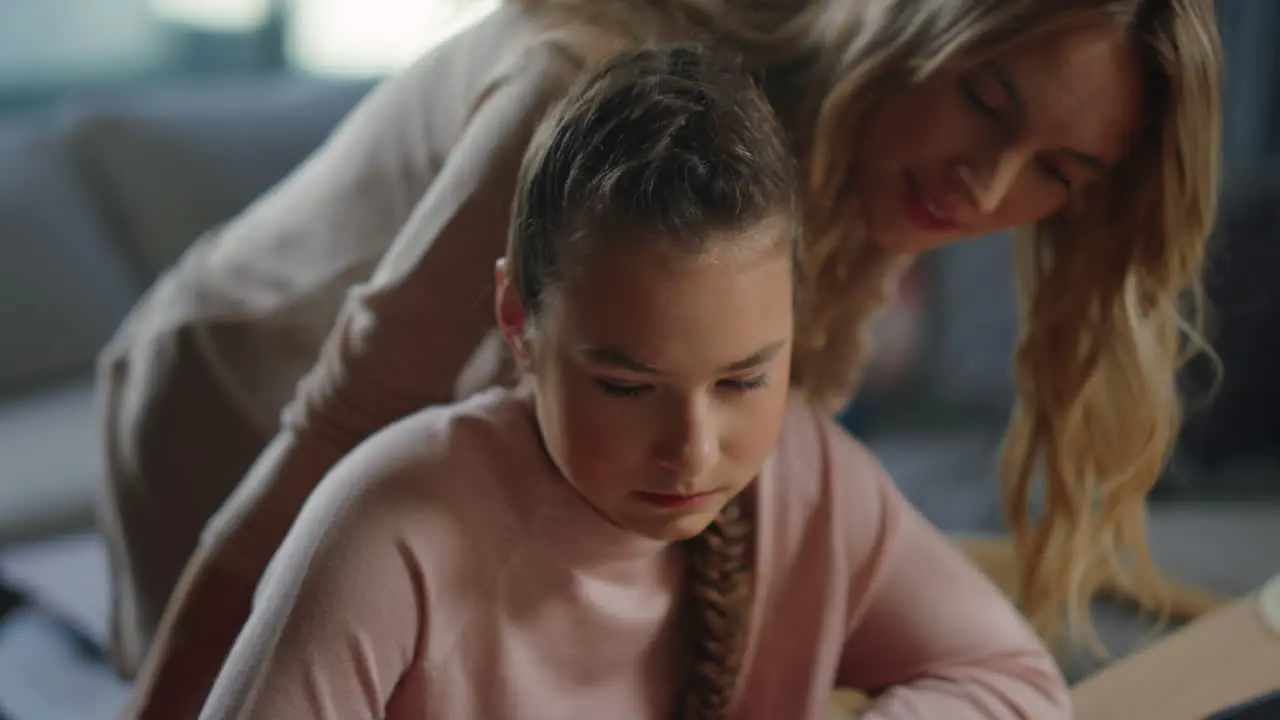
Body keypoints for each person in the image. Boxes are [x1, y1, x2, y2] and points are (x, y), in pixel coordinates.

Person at [100, 0, 1222, 714]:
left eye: (1056, 172)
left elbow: (765, 516)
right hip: (241, 386)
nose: (985, 188)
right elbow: (344, 428)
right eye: (984, 99)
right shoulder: (579, 108)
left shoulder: (875, 181)